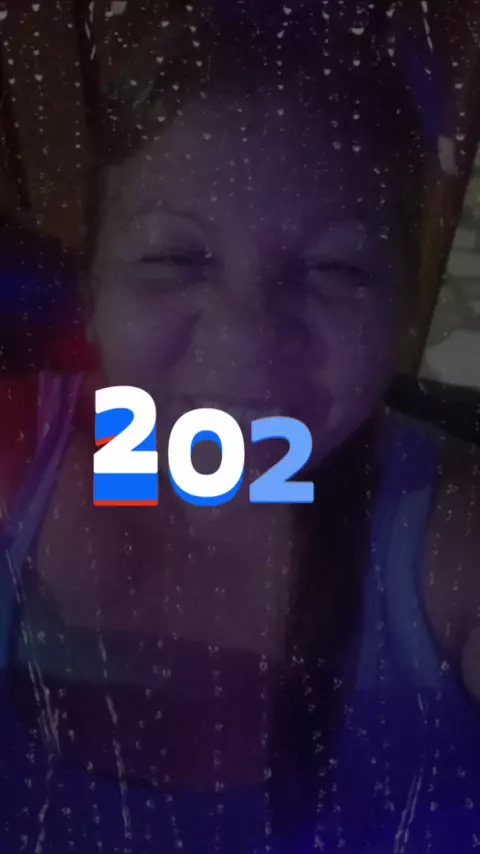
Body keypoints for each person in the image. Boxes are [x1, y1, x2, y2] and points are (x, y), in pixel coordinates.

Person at [1, 6, 480, 852]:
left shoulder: (450, 541)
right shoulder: (16, 451)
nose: (245, 342)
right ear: (93, 289)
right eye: (176, 258)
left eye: (332, 267)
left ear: (403, 309)